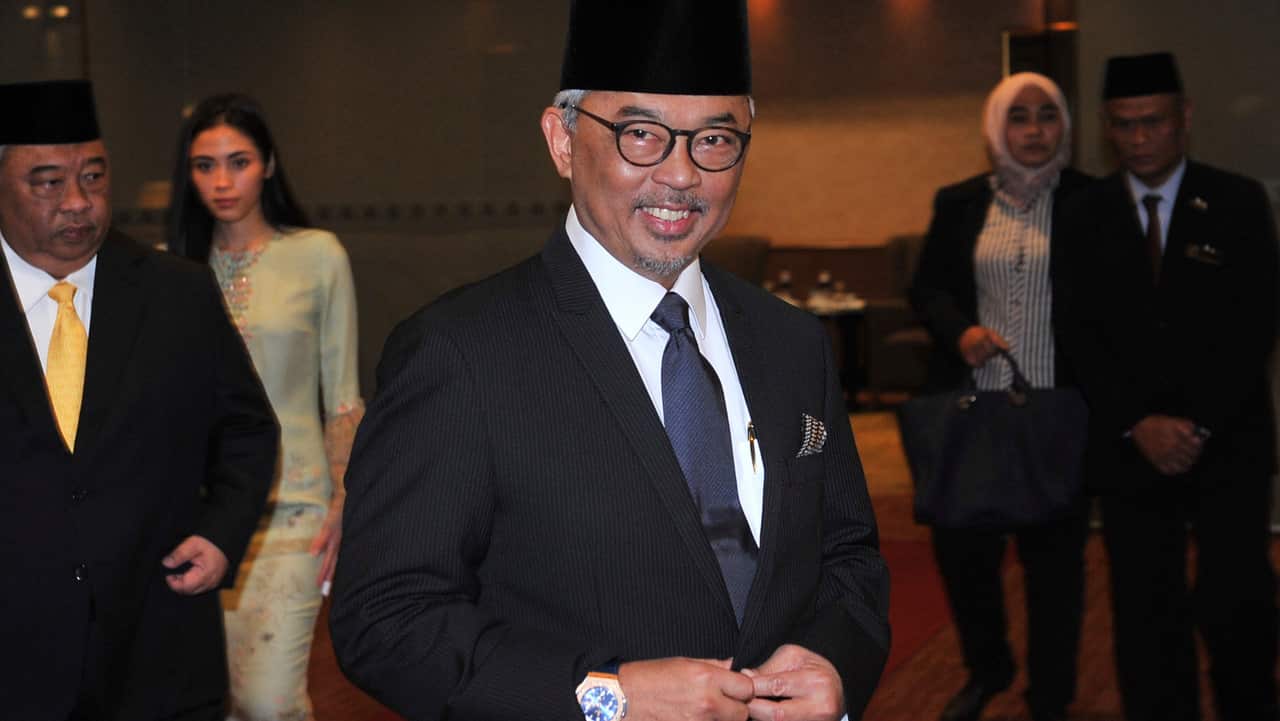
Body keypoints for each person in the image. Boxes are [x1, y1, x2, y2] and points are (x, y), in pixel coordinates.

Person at [329, 1, 890, 720]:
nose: (682, 174)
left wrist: (836, 664)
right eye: (641, 135)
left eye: (715, 138)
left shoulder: (791, 343)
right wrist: (606, 697)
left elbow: (849, 555)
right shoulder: (460, 354)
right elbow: (386, 619)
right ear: (563, 140)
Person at [0, 81, 277, 720]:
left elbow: (247, 428)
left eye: (93, 177)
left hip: (156, 651)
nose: (78, 203)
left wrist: (221, 533)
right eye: (47, 182)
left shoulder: (175, 293)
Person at [1064, 52, 1278, 721]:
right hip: (1131, 451)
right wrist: (1138, 423)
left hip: (1228, 441)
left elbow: (1256, 324)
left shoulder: (1238, 200)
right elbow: (1077, 333)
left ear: (1183, 118)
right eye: (1124, 125)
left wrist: (1199, 424)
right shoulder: (1085, 212)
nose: (1138, 138)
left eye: (1152, 122)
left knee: (1238, 602)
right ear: (1106, 126)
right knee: (1145, 612)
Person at [167, 93, 364, 721]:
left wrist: (343, 500)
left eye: (239, 161)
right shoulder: (170, 274)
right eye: (204, 165)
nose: (222, 181)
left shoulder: (318, 255)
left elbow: (342, 398)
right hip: (199, 519)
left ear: (269, 165)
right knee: (218, 700)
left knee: (268, 700)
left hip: (294, 514)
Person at [908, 72, 1091, 721]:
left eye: (1048, 116)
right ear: (995, 130)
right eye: (1019, 118)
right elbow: (926, 290)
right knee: (964, 560)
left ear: (1065, 125)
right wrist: (960, 332)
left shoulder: (1093, 202)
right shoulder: (959, 202)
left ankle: (1051, 694)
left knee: (1055, 572)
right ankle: (988, 669)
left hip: (1058, 414)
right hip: (973, 412)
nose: (1035, 130)